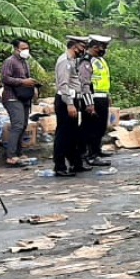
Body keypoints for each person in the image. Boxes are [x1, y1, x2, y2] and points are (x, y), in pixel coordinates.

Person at [52, 36, 89, 176]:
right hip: (66, 101)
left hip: (73, 99)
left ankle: (75, 163)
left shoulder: (73, 61)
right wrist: (69, 104)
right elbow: (63, 85)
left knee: (73, 134)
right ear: (74, 46)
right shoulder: (64, 61)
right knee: (63, 135)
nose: (83, 50)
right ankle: (59, 167)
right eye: (82, 47)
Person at [0, 39, 38, 166]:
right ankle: (11, 155)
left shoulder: (25, 62)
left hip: (24, 97)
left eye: (27, 48)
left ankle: (19, 152)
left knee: (23, 125)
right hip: (12, 97)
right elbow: (5, 78)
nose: (26, 50)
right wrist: (22, 82)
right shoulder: (10, 61)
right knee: (17, 125)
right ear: (16, 49)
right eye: (23, 48)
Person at [84, 36, 113, 166]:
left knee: (101, 127)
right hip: (93, 97)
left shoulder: (100, 60)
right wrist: (89, 101)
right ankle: (91, 155)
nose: (104, 50)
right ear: (95, 47)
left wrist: (108, 95)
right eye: (103, 47)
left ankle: (97, 150)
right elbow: (85, 82)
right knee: (93, 128)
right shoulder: (87, 61)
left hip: (102, 96)